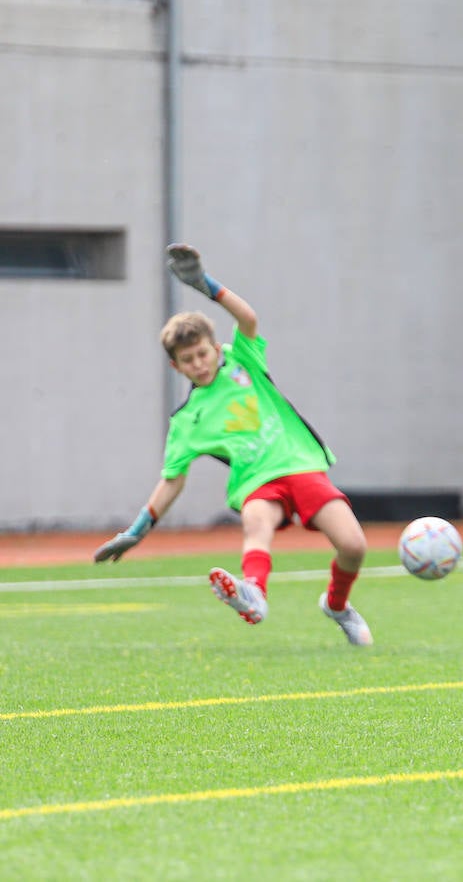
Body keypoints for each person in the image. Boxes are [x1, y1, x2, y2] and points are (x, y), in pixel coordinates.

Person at [94, 244, 374, 646]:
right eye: (187, 360)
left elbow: (248, 317)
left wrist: (205, 285)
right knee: (256, 522)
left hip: (299, 463)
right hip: (256, 480)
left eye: (202, 353)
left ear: (215, 347)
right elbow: (172, 479)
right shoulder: (187, 420)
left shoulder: (243, 362)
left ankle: (337, 605)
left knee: (353, 545)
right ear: (176, 366)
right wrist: (138, 530)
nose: (199, 364)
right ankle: (253, 593)